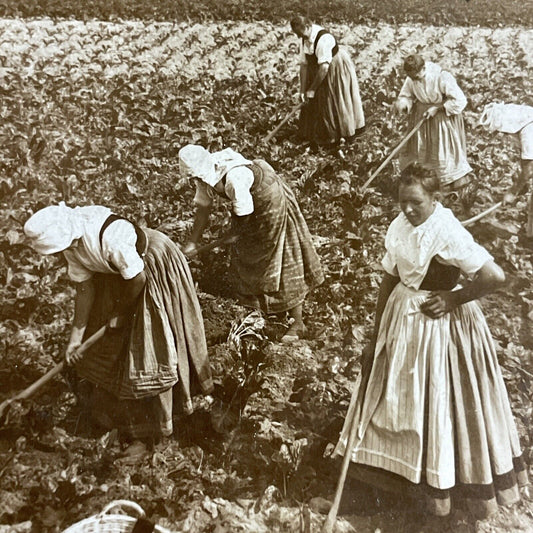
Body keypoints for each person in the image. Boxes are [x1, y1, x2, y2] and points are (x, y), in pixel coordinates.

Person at [332, 164, 528, 518]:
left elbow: (494, 276)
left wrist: (453, 299)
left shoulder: (447, 231)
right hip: (401, 319)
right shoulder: (400, 226)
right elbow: (389, 279)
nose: (408, 209)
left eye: (416, 203)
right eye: (403, 202)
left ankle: (438, 494)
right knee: (394, 399)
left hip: (439, 327)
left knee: (437, 401)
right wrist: (376, 333)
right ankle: (391, 482)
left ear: (436, 199)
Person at [24, 203, 213, 450]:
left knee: (147, 347)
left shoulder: (109, 237)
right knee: (106, 344)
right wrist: (75, 337)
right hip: (117, 276)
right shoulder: (71, 245)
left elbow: (138, 278)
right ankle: (118, 417)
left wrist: (120, 314)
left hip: (149, 266)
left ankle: (154, 430)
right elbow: (84, 289)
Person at [178, 144, 324, 342]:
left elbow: (242, 220)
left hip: (268, 197)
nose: (194, 181)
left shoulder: (233, 178)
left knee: (278, 253)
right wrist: (193, 242)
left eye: (194, 177)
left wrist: (233, 235)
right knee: (246, 256)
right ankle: (263, 308)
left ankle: (298, 322)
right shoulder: (204, 177)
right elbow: (203, 209)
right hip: (248, 203)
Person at [395, 54, 472, 188]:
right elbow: (406, 95)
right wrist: (404, 104)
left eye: (417, 77)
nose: (415, 80)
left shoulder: (442, 77)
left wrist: (438, 108)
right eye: (412, 78)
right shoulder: (411, 78)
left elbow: (460, 100)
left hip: (442, 119)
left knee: (443, 152)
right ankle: (427, 182)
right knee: (422, 153)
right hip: (422, 118)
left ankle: (450, 183)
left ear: (423, 68)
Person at [290, 16, 365, 148]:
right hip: (318, 67)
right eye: (296, 34)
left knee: (332, 99)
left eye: (299, 33)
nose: (298, 37)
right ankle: (315, 134)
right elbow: (304, 65)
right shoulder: (304, 39)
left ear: (307, 27)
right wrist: (303, 90)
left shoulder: (323, 39)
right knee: (313, 101)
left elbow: (324, 68)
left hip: (334, 67)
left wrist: (312, 89)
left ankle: (336, 135)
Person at [479, 102, 533, 238]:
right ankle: (529, 237)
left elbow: (528, 171)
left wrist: (512, 192)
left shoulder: (528, 132)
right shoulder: (524, 116)